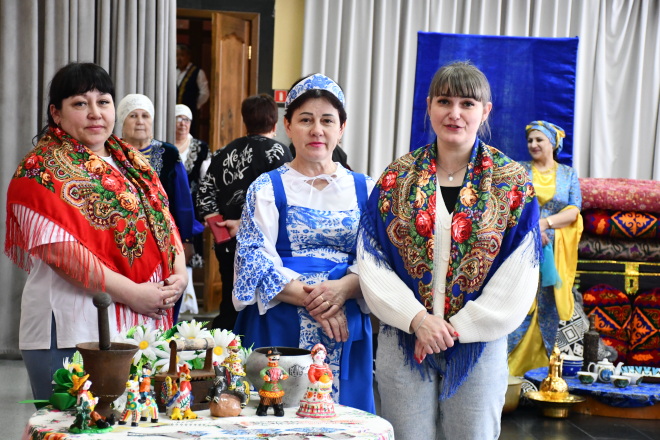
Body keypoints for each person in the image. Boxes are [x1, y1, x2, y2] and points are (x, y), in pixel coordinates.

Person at [357, 61, 541, 439]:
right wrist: (418, 320)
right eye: (444, 101)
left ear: (485, 111)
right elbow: (371, 258)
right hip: (404, 339)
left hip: (478, 347)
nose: (454, 113)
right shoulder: (396, 177)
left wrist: (455, 329)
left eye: (467, 104)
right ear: (429, 106)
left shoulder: (511, 183)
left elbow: (521, 272)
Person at [4, 63, 187, 401]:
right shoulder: (39, 170)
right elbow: (61, 254)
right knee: (73, 422)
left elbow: (164, 219)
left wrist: (179, 273)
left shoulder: (134, 162)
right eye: (80, 103)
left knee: (135, 421)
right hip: (74, 327)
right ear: (56, 113)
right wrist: (133, 294)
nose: (95, 113)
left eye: (103, 102)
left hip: (141, 325)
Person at [232, 74, 375, 413]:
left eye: (327, 121)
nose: (317, 130)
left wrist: (344, 289)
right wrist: (319, 301)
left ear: (342, 127)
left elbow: (379, 258)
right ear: (287, 125)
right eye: (306, 120)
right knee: (275, 416)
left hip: (346, 319)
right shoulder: (266, 188)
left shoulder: (367, 189)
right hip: (280, 319)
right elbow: (252, 258)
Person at [196, 94, 292, 331]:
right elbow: (287, 199)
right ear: (275, 121)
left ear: (245, 120)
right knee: (260, 305)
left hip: (227, 243)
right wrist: (244, 224)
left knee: (230, 303)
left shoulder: (223, 152)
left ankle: (225, 347)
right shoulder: (279, 152)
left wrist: (222, 230)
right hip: (265, 246)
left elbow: (204, 196)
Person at [117, 94, 203, 322]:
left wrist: (186, 240)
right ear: (122, 121)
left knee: (166, 295)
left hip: (164, 241)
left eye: (145, 116)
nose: (139, 121)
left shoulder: (169, 154)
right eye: (133, 116)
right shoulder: (112, 153)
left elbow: (182, 201)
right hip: (124, 240)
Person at [508, 121, 583, 376]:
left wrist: (545, 224)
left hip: (556, 251)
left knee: (549, 302)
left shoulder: (568, 174)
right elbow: (512, 206)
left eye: (539, 140)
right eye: (530, 140)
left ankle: (545, 373)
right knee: (521, 300)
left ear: (553, 143)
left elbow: (574, 211)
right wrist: (532, 231)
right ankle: (509, 373)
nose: (533, 144)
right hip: (523, 245)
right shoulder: (519, 170)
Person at [174, 104, 212, 313]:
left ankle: (187, 301)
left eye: (186, 120)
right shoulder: (165, 147)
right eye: (178, 119)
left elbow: (208, 181)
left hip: (191, 208)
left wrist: (207, 211)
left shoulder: (201, 148)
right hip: (170, 206)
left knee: (188, 250)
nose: (182, 124)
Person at [176, 44, 210, 138]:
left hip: (189, 113)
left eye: (182, 55)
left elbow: (205, 93)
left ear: (188, 56)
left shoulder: (198, 72)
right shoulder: (173, 71)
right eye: (177, 55)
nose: (179, 58)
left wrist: (195, 105)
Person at [296, 343, 336, 418]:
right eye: (319, 354)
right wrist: (314, 382)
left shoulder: (325, 366)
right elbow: (311, 374)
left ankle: (324, 410)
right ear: (313, 355)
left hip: (324, 385)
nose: (321, 356)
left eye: (323, 354)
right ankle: (312, 411)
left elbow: (329, 373)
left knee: (324, 398)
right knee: (313, 398)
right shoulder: (313, 367)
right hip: (315, 385)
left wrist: (330, 379)